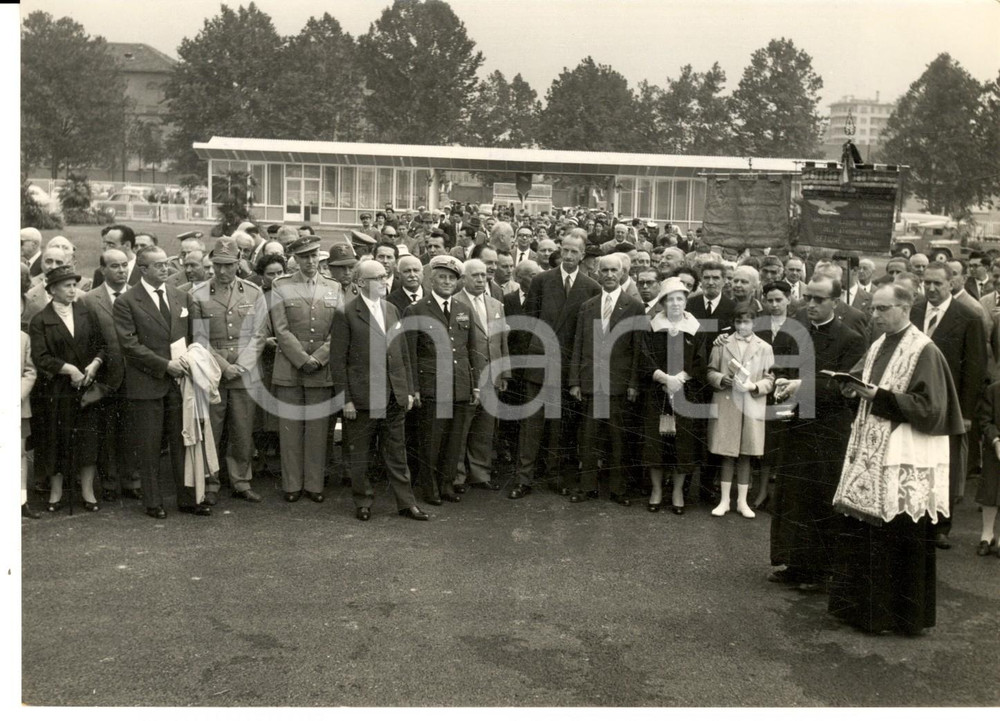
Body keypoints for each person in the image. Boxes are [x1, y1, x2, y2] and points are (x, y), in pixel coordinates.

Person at [829, 284, 964, 636]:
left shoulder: (924, 350)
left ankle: (894, 616)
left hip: (903, 452)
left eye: (882, 309)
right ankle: (860, 610)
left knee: (897, 532)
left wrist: (880, 396)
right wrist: (850, 386)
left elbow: (931, 408)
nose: (874, 316)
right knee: (864, 532)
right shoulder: (877, 344)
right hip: (872, 448)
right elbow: (862, 379)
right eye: (873, 309)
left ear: (905, 308)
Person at [767, 276, 866, 591]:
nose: (811, 304)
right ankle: (795, 564)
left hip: (827, 431)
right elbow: (780, 370)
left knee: (820, 498)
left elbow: (845, 386)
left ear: (835, 302)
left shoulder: (850, 339)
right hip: (796, 426)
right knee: (793, 496)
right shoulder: (793, 333)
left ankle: (821, 571)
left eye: (819, 299)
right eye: (808, 298)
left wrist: (800, 386)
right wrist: (780, 387)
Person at [115, 246, 209, 519]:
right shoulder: (127, 301)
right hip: (147, 383)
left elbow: (197, 335)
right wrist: (164, 365)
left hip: (180, 382)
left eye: (166, 264)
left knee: (184, 442)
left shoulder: (181, 296)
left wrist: (191, 359)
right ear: (143, 269)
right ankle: (153, 502)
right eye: (158, 265)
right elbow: (129, 345)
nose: (165, 269)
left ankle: (188, 499)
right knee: (150, 445)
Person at [331, 260, 427, 522]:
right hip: (362, 398)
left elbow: (402, 352)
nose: (385, 281)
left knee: (397, 453)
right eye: (378, 278)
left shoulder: (392, 309)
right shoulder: (346, 313)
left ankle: (407, 503)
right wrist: (346, 400)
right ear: (361, 283)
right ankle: (363, 502)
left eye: (385, 276)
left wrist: (406, 390)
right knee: (360, 454)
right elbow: (338, 361)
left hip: (393, 396)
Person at [509, 230, 601, 500]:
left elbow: (587, 337)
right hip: (539, 365)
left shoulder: (591, 286)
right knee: (531, 426)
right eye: (566, 250)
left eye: (575, 252)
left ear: (583, 255)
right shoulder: (541, 281)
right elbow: (529, 323)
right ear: (560, 251)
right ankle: (523, 479)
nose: (570, 256)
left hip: (567, 368)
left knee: (559, 427)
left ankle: (554, 476)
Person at [910, 261, 986, 548]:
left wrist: (966, 414)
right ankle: (915, 518)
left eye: (937, 283)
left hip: (949, 405)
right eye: (927, 282)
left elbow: (975, 370)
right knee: (916, 459)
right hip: (915, 402)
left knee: (945, 464)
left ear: (951, 284)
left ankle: (941, 524)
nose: (931, 288)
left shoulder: (968, 317)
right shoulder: (914, 311)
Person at [189, 238, 268, 505]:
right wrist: (224, 366)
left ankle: (241, 481)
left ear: (238, 264)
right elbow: (199, 337)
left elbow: (259, 334)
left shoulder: (254, 292)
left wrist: (241, 366)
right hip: (212, 372)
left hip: (245, 371)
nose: (222, 271)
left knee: (242, 429)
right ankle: (211, 482)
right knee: (212, 428)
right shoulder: (198, 294)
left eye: (228, 265)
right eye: (217, 265)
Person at [403, 255, 484, 505]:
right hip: (432, 387)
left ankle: (446, 485)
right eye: (442, 277)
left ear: (457, 282)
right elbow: (410, 353)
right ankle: (430, 489)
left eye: (452, 278)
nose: (447, 281)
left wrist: (475, 385)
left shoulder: (463, 309)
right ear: (431, 279)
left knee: (454, 441)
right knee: (431, 441)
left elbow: (472, 350)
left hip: (459, 386)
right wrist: (414, 388)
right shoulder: (416, 309)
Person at [269, 236, 343, 503]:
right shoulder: (281, 285)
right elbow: (281, 328)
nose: (310, 262)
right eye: (304, 257)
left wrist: (320, 358)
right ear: (295, 260)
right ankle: (292, 485)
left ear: (319, 258)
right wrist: (302, 359)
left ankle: (314, 485)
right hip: (289, 368)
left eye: (314, 256)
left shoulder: (334, 287)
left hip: (321, 369)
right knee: (289, 429)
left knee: (317, 430)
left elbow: (339, 330)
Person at [29, 266, 108, 513]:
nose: (73, 290)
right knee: (56, 440)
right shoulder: (41, 320)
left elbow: (101, 346)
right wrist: (69, 370)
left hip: (86, 388)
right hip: (57, 391)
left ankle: (87, 492)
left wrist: (94, 365)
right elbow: (41, 357)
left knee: (88, 439)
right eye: (67, 286)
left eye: (74, 285)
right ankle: (56, 493)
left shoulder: (86, 313)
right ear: (52, 290)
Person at [567, 254, 644, 506]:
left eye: (614, 270)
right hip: (591, 382)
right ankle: (587, 486)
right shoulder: (588, 306)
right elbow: (578, 344)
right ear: (597, 273)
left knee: (617, 439)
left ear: (622, 274)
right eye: (605, 270)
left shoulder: (634, 306)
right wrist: (575, 381)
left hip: (618, 385)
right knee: (588, 438)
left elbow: (636, 349)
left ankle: (618, 489)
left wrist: (633, 383)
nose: (609, 275)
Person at [639, 277, 707, 514]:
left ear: (686, 301)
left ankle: (678, 491)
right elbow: (644, 357)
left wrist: (680, 379)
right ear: (663, 303)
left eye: (680, 298)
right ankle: (657, 490)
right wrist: (664, 378)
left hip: (685, 393)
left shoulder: (696, 329)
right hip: (657, 393)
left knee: (683, 443)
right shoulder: (652, 326)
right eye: (670, 299)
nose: (675, 303)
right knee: (656, 442)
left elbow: (701, 361)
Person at [707, 301, 775, 518]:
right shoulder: (721, 344)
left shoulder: (764, 347)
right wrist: (721, 379)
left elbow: (770, 379)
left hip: (751, 404)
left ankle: (742, 502)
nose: (743, 326)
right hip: (727, 402)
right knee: (727, 453)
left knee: (746, 454)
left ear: (754, 322)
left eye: (747, 322)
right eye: (739, 322)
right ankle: (724, 500)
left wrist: (754, 386)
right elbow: (710, 371)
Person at [81, 249, 138, 503]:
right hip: (106, 377)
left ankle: (132, 481)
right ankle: (110, 483)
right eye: (114, 266)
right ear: (103, 269)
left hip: (137, 375)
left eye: (124, 265)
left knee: (133, 430)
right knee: (107, 432)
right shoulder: (89, 300)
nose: (121, 270)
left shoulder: (138, 295)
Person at [453, 259, 509, 492]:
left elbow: (501, 341)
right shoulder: (455, 303)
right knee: (461, 427)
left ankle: (480, 473)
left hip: (491, 375)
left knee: (485, 429)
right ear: (464, 278)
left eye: (484, 275)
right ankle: (457, 475)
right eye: (474, 275)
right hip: (466, 375)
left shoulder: (496, 304)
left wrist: (504, 373)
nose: (480, 279)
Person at [21, 294, 40, 519]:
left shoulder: (23, 338)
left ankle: (21, 500)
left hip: (18, 406)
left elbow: (30, 371)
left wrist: (15, 396)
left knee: (19, 455)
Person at [976, 380, 1000, 558]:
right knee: (990, 492)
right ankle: (987, 535)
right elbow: (984, 420)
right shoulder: (993, 390)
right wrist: (996, 440)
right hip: (995, 449)